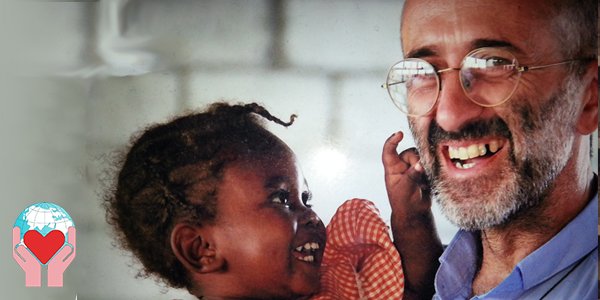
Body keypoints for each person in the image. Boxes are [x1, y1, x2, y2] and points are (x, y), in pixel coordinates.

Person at [382, 0, 598, 299]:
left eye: (494, 64)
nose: (449, 116)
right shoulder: (446, 272)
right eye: (423, 72)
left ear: (590, 99)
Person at [105, 102, 405, 299]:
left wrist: (410, 216)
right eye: (281, 199)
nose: (312, 216)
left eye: (306, 199)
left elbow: (414, 290)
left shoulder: (338, 287)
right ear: (201, 249)